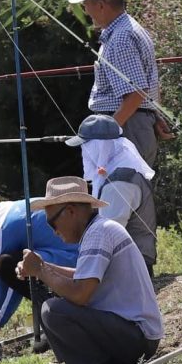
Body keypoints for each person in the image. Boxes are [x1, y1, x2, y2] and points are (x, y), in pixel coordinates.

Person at [17, 176, 164, 364]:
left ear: (70, 211)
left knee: (53, 311)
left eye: (52, 222)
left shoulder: (99, 232)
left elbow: (80, 294)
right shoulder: (99, 228)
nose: (53, 230)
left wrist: (39, 270)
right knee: (54, 309)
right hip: (137, 335)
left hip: (138, 338)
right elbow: (82, 276)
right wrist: (42, 266)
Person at [69, 0, 171, 168]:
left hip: (127, 128)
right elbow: (147, 85)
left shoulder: (121, 38)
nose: (86, 11)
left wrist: (108, 132)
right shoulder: (130, 29)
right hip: (134, 124)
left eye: (86, 5)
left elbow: (136, 92)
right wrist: (153, 115)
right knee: (133, 193)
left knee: (119, 192)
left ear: (100, 5)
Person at [0, 196, 79, 353]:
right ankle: (57, 321)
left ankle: (61, 320)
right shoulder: (10, 209)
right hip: (74, 256)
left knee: (4, 263)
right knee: (12, 264)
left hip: (75, 262)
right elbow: (14, 280)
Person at [65, 114, 157, 274]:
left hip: (131, 269)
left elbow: (106, 235)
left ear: (100, 147)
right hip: (129, 263)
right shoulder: (123, 170)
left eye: (86, 145)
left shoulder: (119, 183)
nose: (83, 151)